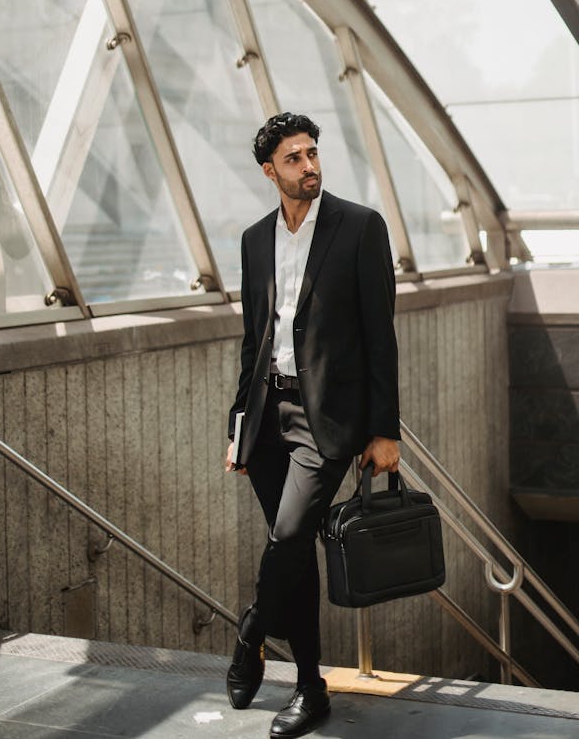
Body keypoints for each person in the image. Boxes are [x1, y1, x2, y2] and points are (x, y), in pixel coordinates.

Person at [225, 112, 400, 738]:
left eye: (313, 154)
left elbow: (382, 335)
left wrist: (385, 430)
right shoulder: (253, 240)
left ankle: (249, 636)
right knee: (292, 551)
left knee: (290, 536)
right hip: (269, 415)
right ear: (270, 171)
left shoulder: (360, 227)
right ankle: (308, 687)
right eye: (294, 159)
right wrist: (239, 428)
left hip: (327, 420)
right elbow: (253, 342)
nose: (310, 167)